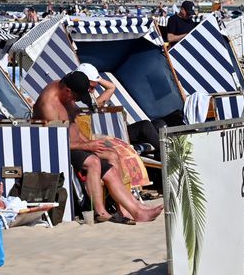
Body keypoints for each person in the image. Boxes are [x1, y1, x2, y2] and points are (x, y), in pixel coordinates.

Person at [32, 71, 162, 224]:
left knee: (112, 155)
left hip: (78, 145)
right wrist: (88, 145)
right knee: (93, 161)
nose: (77, 101)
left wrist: (91, 144)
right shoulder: (49, 105)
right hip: (61, 149)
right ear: (68, 91)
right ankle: (100, 212)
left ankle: (133, 209)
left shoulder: (66, 91)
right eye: (77, 97)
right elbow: (55, 141)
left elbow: (74, 128)